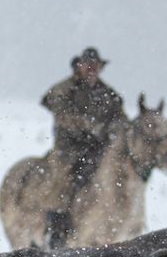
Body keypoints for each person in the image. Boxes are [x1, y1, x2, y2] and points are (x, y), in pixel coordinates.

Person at [40, 46, 127, 246]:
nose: (91, 69)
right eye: (87, 65)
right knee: (62, 182)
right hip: (69, 149)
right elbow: (60, 112)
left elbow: (120, 119)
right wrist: (86, 126)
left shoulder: (108, 94)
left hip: (100, 150)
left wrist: (112, 131)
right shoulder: (65, 89)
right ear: (78, 66)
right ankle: (56, 230)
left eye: (95, 65)